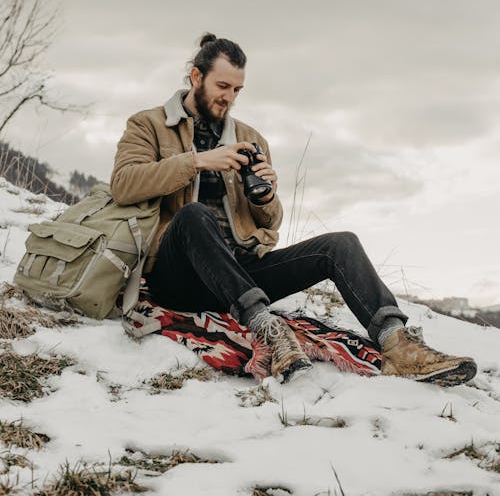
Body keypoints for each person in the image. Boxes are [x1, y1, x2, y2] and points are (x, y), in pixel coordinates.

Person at [110, 33, 477, 386]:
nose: (229, 98)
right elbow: (124, 183)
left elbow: (271, 224)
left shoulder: (250, 138)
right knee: (194, 216)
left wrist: (265, 197)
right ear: (196, 77)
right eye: (223, 87)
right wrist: (199, 161)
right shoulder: (149, 124)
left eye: (237, 90)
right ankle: (266, 329)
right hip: (177, 276)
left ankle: (398, 343)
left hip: (239, 271)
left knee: (340, 244)